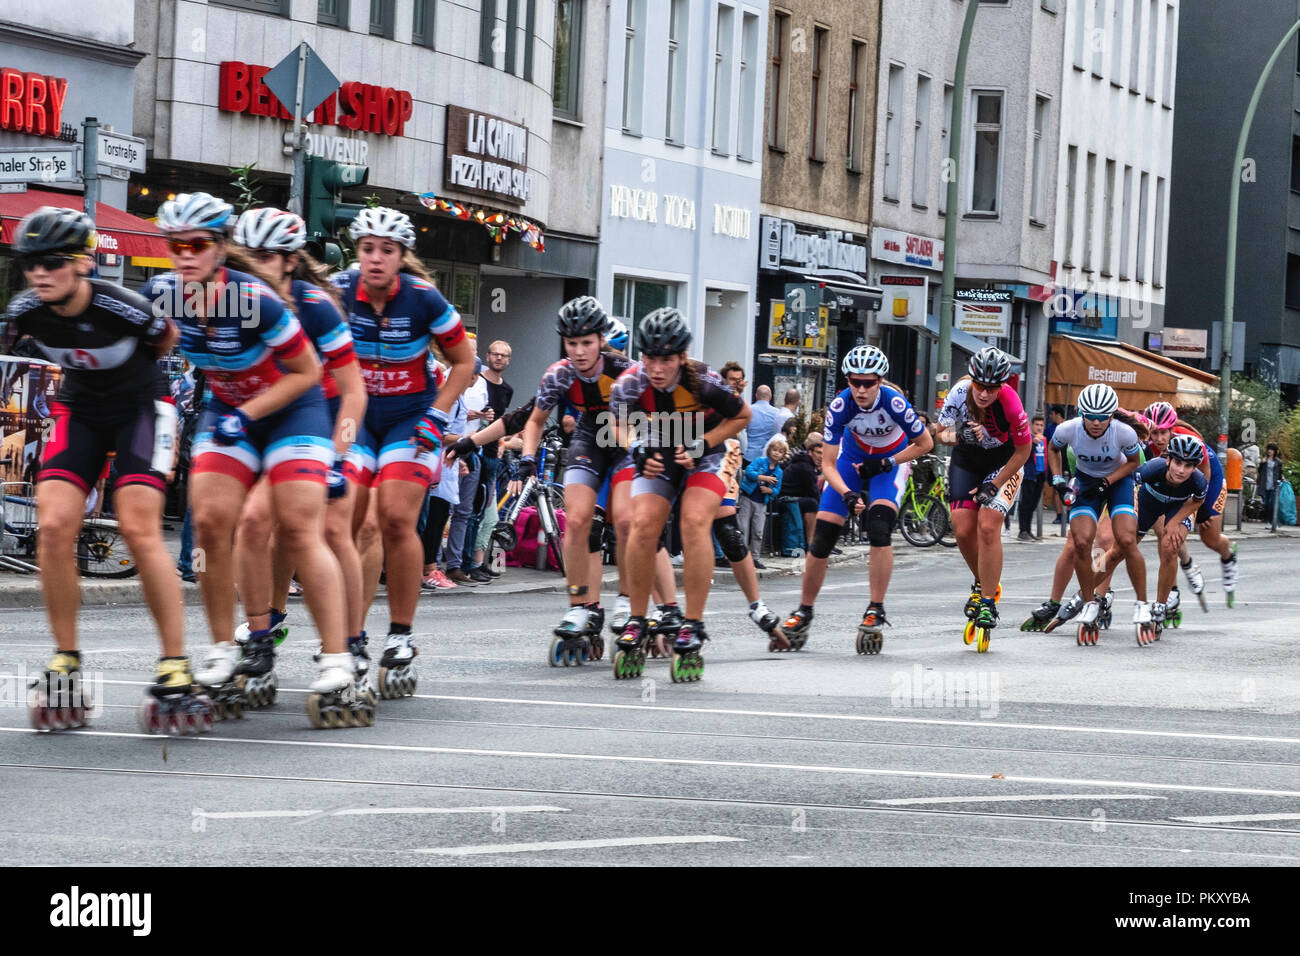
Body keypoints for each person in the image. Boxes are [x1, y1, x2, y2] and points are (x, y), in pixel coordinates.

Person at [146, 192, 360, 728]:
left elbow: (313, 375)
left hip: (294, 409)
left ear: (220, 249)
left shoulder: (261, 300)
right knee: (214, 522)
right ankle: (226, 647)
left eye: (197, 244)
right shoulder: (164, 295)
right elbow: (146, 354)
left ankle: (337, 658)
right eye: (176, 245)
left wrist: (338, 451)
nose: (185, 255)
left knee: (295, 525)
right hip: (228, 408)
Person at [3, 206, 190, 730]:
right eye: (30, 263)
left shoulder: (122, 305)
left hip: (140, 408)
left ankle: (174, 664)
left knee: (138, 526)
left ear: (84, 263)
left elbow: (164, 340)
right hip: (80, 407)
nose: (41, 273)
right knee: (55, 526)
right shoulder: (25, 311)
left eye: (54, 262)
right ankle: (67, 658)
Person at [329, 207, 477, 696]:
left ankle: (400, 635)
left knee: (393, 519)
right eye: (368, 248)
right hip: (357, 415)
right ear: (358, 251)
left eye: (386, 250)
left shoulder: (423, 298)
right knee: (350, 519)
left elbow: (464, 360)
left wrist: (438, 414)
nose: (375, 258)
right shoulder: (338, 290)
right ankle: (351, 637)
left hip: (408, 418)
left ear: (401, 256)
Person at [227, 208, 369, 700]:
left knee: (327, 527)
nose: (254, 268)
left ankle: (349, 643)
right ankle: (262, 633)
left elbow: (354, 392)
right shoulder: (231, 297)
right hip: (269, 418)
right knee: (253, 524)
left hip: (327, 416)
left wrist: (337, 454)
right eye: (246, 258)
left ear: (289, 261)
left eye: (265, 258)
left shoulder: (315, 305)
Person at [609, 308, 751, 679]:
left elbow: (742, 416)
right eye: (650, 359)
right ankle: (638, 617)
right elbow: (617, 423)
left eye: (666, 360)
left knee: (693, 522)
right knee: (641, 526)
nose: (657, 369)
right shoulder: (629, 382)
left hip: (708, 450)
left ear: (682, 358)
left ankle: (692, 622)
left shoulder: (706, 382)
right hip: (658, 447)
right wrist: (635, 448)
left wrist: (703, 444)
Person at [781, 346, 933, 653]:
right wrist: (847, 494)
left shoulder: (895, 402)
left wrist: (889, 462)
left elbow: (925, 443)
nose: (861, 389)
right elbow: (827, 463)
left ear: (879, 381)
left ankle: (876, 607)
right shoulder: (841, 405)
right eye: (855, 381)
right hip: (851, 459)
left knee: (879, 528)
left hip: (891, 460)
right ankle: (804, 610)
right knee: (822, 537)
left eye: (868, 382)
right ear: (848, 380)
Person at [514, 296, 636, 660]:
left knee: (628, 523)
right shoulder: (559, 374)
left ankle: (628, 603)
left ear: (601, 340)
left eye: (587, 343)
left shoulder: (627, 371)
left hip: (629, 439)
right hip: (590, 437)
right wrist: (526, 458)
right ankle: (581, 605)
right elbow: (534, 420)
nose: (580, 351)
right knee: (578, 520)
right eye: (572, 343)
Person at [936, 347, 1032, 647]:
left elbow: (1023, 451)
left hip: (1002, 464)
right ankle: (983, 581)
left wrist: (996, 484)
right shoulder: (958, 392)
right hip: (967, 460)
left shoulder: (1012, 405)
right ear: (972, 379)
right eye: (980, 385)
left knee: (988, 525)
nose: (984, 394)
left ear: (1002, 385)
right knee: (962, 529)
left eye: (992, 388)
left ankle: (988, 601)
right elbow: (939, 433)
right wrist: (957, 436)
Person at [1044, 384, 1146, 640]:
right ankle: (1090, 603)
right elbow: (1052, 448)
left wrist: (1109, 481)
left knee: (1125, 540)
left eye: (1103, 417)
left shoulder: (1124, 433)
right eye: (1090, 416)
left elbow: (1134, 462)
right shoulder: (1068, 429)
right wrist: (1057, 479)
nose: (1096, 422)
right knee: (1080, 542)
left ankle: (1142, 604)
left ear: (1112, 415)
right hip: (1086, 482)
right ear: (1082, 414)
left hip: (1118, 482)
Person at [1098, 433, 1208, 640]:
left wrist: (1175, 521)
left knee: (1170, 545)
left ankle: (1160, 606)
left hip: (1178, 507)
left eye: (1188, 466)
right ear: (1168, 460)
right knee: (1118, 548)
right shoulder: (1152, 468)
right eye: (1177, 463)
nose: (1181, 470)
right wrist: (1132, 512)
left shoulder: (1198, 481)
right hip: (1146, 501)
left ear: (1195, 468)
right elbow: (1128, 487)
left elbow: (1197, 501)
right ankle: (1094, 595)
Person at [1141, 401, 1239, 607]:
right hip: (1174, 479)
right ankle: (1173, 588)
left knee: (1209, 537)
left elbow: (1202, 477)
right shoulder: (1146, 441)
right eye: (1154, 433)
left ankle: (1228, 554)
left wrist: (1200, 512)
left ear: (1171, 430)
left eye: (1163, 433)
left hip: (1206, 479)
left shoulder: (1189, 440)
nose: (1158, 439)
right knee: (1164, 532)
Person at [464, 339, 513, 579]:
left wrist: (503, 443)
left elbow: (502, 424)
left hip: (494, 454)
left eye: (504, 355)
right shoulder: (476, 381)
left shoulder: (507, 390)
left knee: (486, 512)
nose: (499, 358)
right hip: (474, 450)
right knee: (471, 511)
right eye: (495, 354)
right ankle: (467, 565)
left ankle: (476, 562)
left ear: (508, 360)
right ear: (488, 355)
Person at [737, 436, 788, 563]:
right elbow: (749, 471)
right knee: (742, 527)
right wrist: (763, 478)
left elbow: (777, 488)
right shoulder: (760, 461)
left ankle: (755, 557)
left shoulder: (779, 471)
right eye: (775, 450)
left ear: (783, 455)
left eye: (780, 451)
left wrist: (770, 491)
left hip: (762, 502)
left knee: (758, 531)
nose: (776, 453)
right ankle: (741, 556)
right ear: (769, 450)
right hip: (748, 497)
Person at [781, 432, 824, 549]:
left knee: (813, 503)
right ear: (810, 452)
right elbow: (813, 491)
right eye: (818, 453)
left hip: (795, 498)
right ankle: (811, 543)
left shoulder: (807, 464)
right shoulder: (805, 467)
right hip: (785, 499)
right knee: (812, 504)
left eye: (823, 454)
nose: (821, 457)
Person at [1018, 414, 1047, 540]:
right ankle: (1022, 530)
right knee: (1026, 502)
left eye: (1041, 425)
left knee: (1033, 504)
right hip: (1030, 474)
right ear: (1031, 425)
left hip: (1040, 474)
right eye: (1037, 425)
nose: (1039, 427)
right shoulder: (1029, 438)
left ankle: (1028, 530)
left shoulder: (1044, 439)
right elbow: (1023, 454)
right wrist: (1033, 443)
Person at [744, 385, 786, 463]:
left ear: (756, 395)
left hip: (750, 455)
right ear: (770, 397)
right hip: (769, 457)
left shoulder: (748, 410)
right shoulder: (777, 413)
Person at [1045, 405, 1066, 524]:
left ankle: (1067, 514)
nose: (1050, 416)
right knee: (1057, 488)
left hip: (1067, 462)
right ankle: (1059, 515)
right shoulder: (1050, 428)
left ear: (1057, 414)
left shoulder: (1067, 427)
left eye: (1051, 414)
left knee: (1070, 488)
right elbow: (1048, 446)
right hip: (1054, 463)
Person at [1261, 443, 1283, 531]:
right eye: (1269, 449)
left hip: (1274, 486)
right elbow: (1259, 471)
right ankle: (1270, 521)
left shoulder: (1278, 462)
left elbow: (1280, 473)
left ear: (1274, 451)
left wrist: (1282, 479)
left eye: (1272, 450)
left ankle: (1272, 522)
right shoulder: (1264, 460)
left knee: (1272, 505)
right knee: (1266, 504)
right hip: (1265, 485)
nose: (1269, 451)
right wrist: (1262, 463)